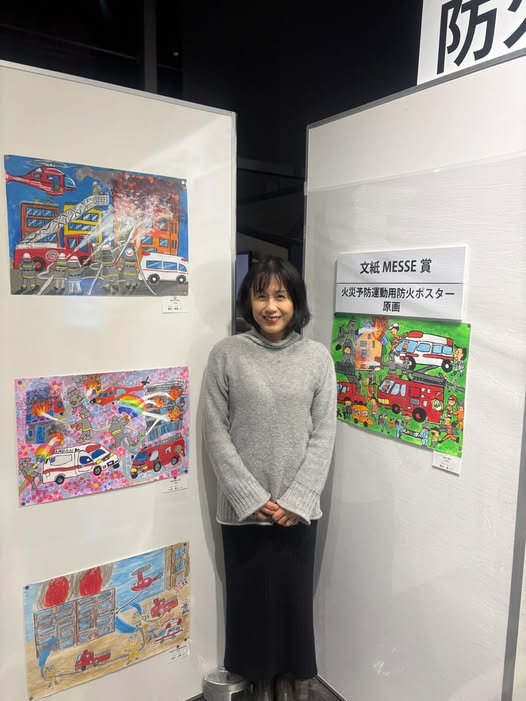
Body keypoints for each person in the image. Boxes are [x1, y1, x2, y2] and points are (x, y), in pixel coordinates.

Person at [203, 256, 337, 701]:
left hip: (297, 513)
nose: (271, 306)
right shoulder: (226, 354)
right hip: (244, 513)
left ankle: (289, 682)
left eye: (281, 295)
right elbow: (215, 431)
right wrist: (249, 497)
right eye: (261, 295)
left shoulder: (317, 358)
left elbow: (325, 433)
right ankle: (257, 682)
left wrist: (298, 500)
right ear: (249, 301)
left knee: (292, 604)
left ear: (296, 302)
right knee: (248, 604)